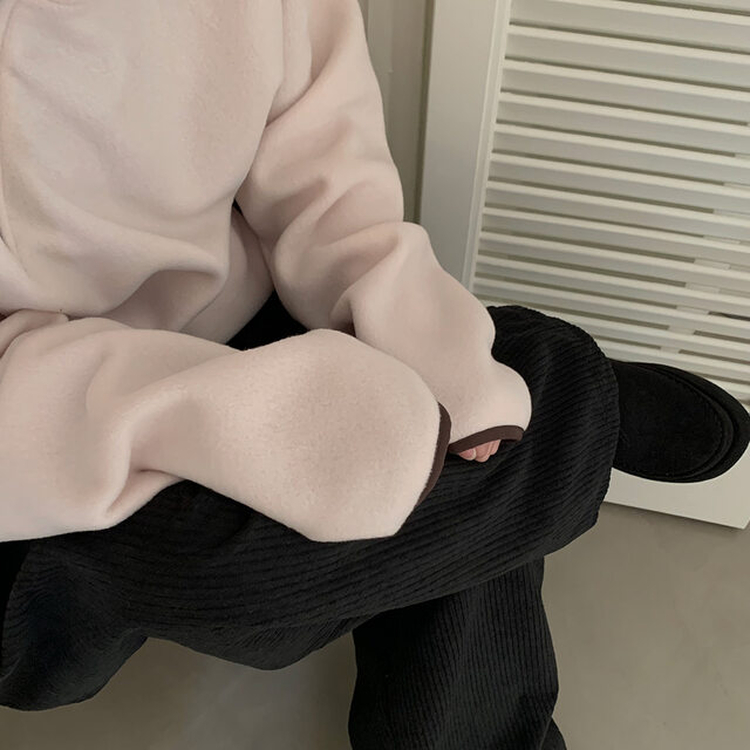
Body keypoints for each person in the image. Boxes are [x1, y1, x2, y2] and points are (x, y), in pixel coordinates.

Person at [0, 1, 747, 747]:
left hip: (227, 323)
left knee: (452, 409)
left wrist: (421, 342)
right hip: (27, 441)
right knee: (252, 553)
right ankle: (573, 398)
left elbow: (323, 167)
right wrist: (205, 415)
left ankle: (530, 414)